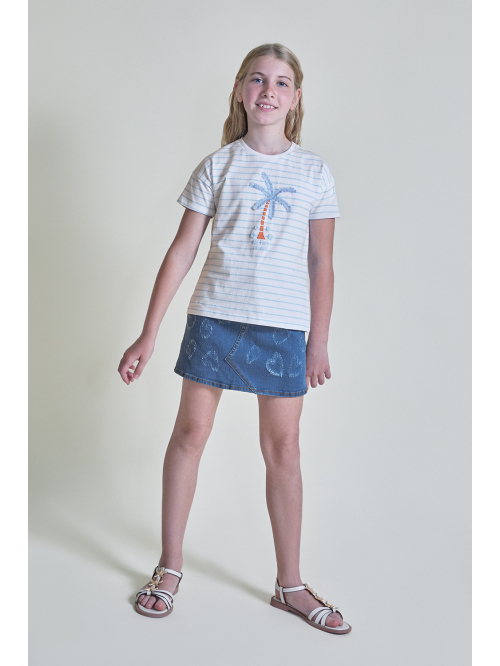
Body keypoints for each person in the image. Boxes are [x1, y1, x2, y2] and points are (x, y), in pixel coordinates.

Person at [118, 43, 351, 634]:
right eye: (257, 79)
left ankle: (290, 584)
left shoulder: (314, 172)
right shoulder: (217, 166)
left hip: (284, 330)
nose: (268, 90)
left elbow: (321, 262)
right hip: (214, 321)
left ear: (296, 98)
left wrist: (318, 341)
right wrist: (148, 333)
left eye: (281, 82)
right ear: (241, 92)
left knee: (284, 449)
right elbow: (182, 251)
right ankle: (169, 567)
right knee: (189, 434)